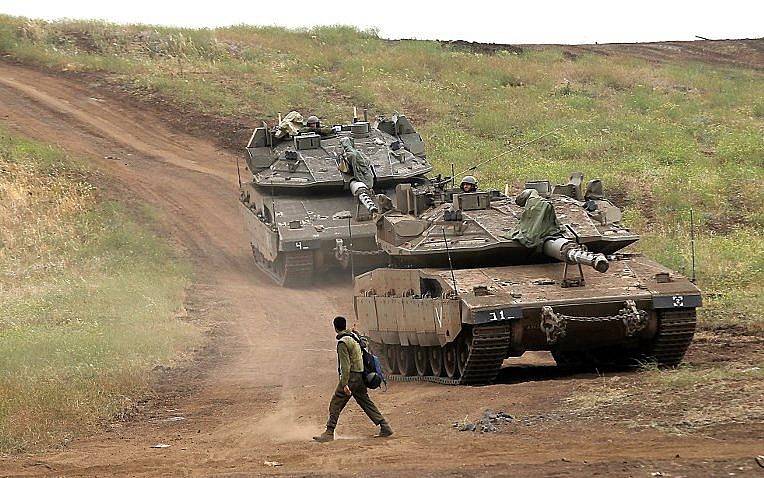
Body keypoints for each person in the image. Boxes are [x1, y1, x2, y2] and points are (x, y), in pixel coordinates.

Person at [313, 316, 392, 442]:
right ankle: (384, 426)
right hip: (361, 375)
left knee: (336, 402)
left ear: (335, 327)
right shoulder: (353, 337)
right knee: (366, 402)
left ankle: (329, 432)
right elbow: (364, 343)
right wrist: (356, 332)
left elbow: (345, 366)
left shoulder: (343, 342)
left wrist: (344, 384)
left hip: (351, 377)